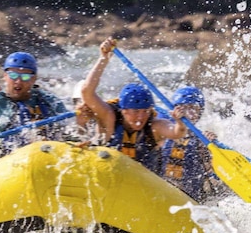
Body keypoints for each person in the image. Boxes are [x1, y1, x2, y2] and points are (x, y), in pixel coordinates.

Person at [79, 37, 188, 172]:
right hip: (106, 175)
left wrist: (180, 122)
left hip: (142, 184)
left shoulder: (153, 126)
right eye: (136, 112)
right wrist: (103, 59)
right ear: (124, 111)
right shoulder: (109, 117)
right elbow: (86, 92)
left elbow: (177, 132)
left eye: (145, 111)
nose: (141, 117)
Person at [160, 85, 226, 202]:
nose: (189, 113)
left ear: (200, 112)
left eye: (193, 108)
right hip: (162, 190)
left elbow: (214, 172)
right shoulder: (162, 128)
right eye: (184, 108)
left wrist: (211, 148)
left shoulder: (200, 139)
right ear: (176, 110)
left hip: (190, 198)